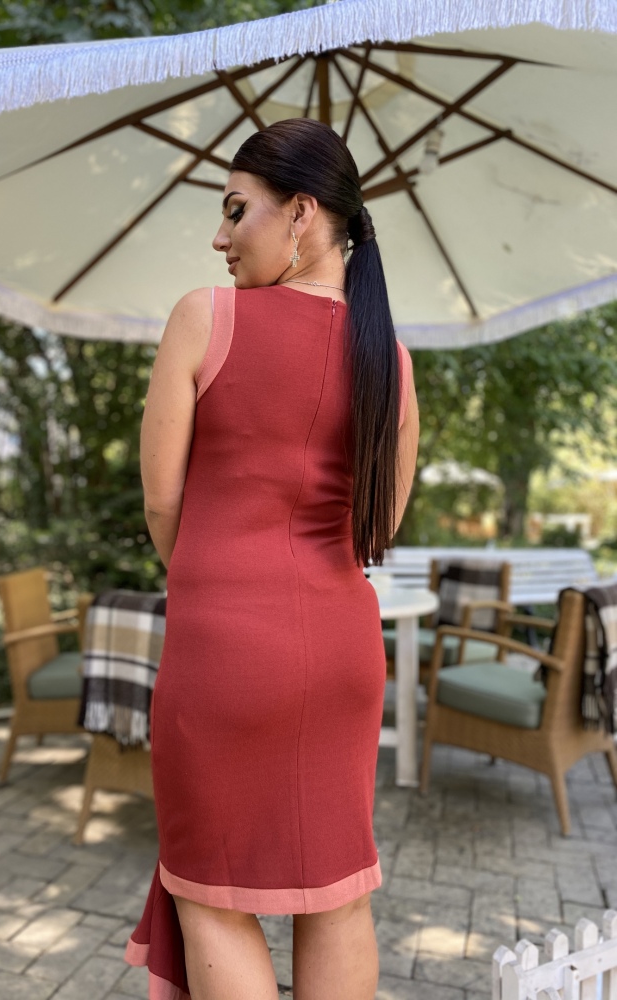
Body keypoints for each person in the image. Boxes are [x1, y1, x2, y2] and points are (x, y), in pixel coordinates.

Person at [125, 118, 419, 1000]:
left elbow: (162, 504)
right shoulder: (392, 361)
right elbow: (377, 529)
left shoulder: (204, 318)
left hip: (223, 652)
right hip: (343, 653)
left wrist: (217, 579)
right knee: (337, 893)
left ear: (300, 213)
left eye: (234, 211)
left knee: (210, 892)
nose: (219, 238)